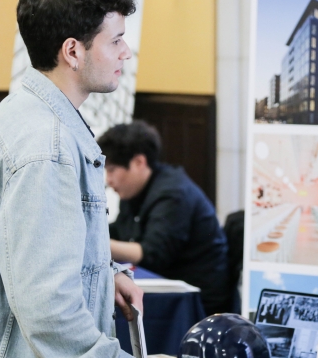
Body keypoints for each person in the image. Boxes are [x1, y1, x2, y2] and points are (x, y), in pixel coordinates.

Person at [0, 0, 160, 358]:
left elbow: (40, 253)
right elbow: (47, 307)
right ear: (73, 50)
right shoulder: (46, 144)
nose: (125, 52)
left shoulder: (27, 112)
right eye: (115, 41)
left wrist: (104, 275)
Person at [98, 120, 231, 315]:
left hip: (201, 304)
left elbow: (153, 254)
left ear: (138, 163)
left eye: (111, 170)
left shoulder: (174, 193)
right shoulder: (133, 191)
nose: (108, 180)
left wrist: (95, 243)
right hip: (171, 294)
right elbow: (120, 230)